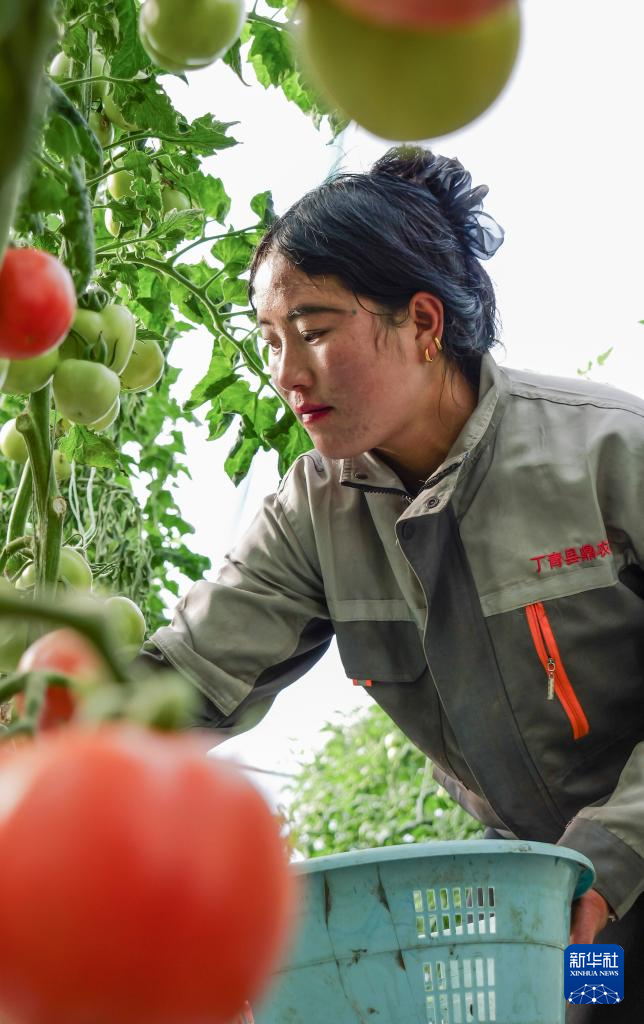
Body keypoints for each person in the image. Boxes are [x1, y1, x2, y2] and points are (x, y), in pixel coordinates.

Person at [141, 146, 644, 1021]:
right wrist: (41, 729)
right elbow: (183, 681)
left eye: (314, 330)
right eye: (271, 341)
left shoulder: (608, 453)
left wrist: (610, 854)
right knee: (593, 1011)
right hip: (564, 918)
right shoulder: (316, 514)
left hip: (607, 868)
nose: (286, 374)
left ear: (423, 321)